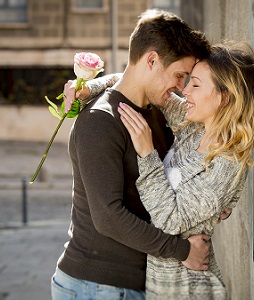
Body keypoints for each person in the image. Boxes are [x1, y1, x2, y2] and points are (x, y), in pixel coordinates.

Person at [78, 41, 254, 299]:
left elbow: (169, 220)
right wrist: (89, 87)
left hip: (188, 288)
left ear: (225, 96)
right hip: (160, 284)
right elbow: (139, 83)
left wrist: (147, 153)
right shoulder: (192, 127)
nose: (186, 91)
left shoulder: (227, 162)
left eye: (195, 84)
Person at [50, 9, 211, 300]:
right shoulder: (100, 121)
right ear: (151, 60)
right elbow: (108, 217)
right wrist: (183, 251)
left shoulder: (155, 112)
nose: (181, 87)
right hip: (96, 286)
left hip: (126, 285)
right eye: (179, 75)